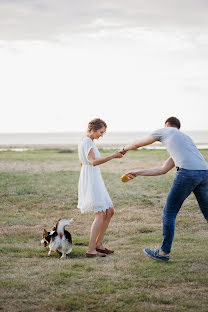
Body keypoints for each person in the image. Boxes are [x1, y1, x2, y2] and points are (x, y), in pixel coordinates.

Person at [121, 116, 208, 262]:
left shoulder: (165, 131)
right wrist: (137, 172)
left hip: (187, 173)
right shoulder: (184, 140)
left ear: (167, 125)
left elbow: (137, 144)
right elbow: (162, 169)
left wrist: (123, 149)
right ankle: (163, 251)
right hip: (204, 173)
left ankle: (163, 252)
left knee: (169, 212)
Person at [78, 118, 123, 258]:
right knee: (101, 213)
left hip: (93, 178)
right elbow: (94, 162)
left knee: (109, 211)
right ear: (92, 129)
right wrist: (113, 156)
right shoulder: (86, 142)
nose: (101, 135)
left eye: (103, 132)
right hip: (91, 179)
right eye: (100, 132)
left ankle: (99, 245)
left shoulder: (88, 142)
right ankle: (91, 250)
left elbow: (83, 163)